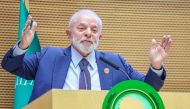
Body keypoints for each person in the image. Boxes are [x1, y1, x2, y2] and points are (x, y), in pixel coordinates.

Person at [1, 9, 172, 103]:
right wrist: (23, 45)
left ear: (100, 37)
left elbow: (146, 89)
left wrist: (156, 66)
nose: (88, 33)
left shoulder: (115, 62)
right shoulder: (48, 56)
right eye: (81, 28)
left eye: (94, 30)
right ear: (68, 34)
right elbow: (12, 66)